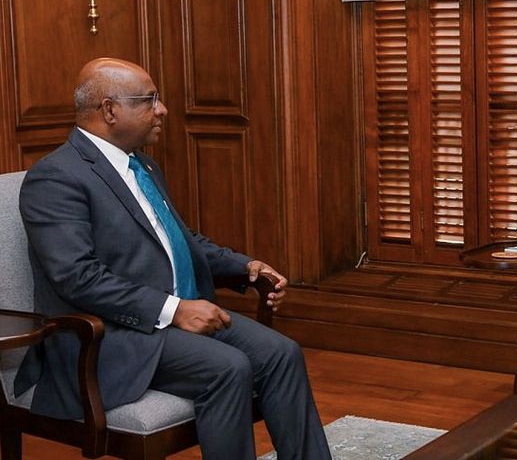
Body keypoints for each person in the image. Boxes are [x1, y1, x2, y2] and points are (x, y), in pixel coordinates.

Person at [14, 58, 331, 459]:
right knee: (228, 367)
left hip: (170, 318)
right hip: (111, 337)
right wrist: (175, 309)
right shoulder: (56, 177)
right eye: (149, 100)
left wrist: (244, 267)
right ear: (109, 110)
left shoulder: (141, 164)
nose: (162, 110)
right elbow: (78, 277)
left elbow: (179, 239)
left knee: (283, 354)